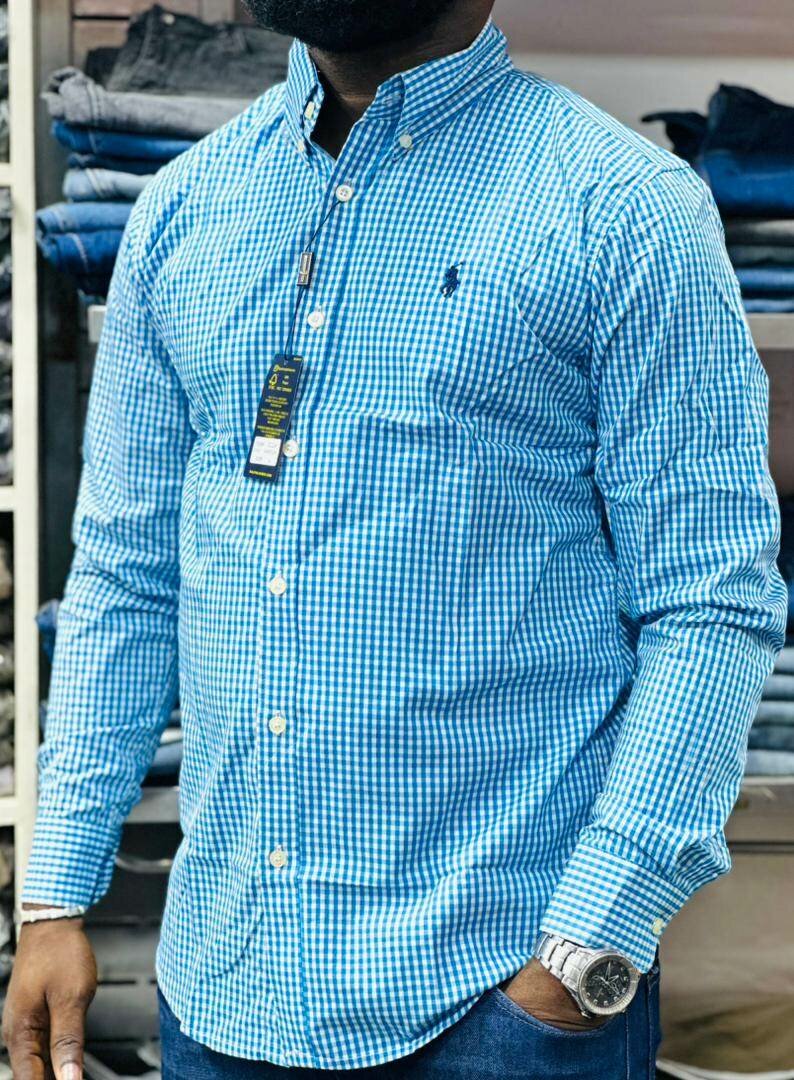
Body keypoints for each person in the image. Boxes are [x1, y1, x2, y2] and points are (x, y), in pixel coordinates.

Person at [3, 0, 786, 1076]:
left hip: (499, 1005)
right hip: (221, 994)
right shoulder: (186, 207)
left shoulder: (622, 207)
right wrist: (54, 892)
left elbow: (711, 602)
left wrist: (584, 956)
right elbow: (126, 577)